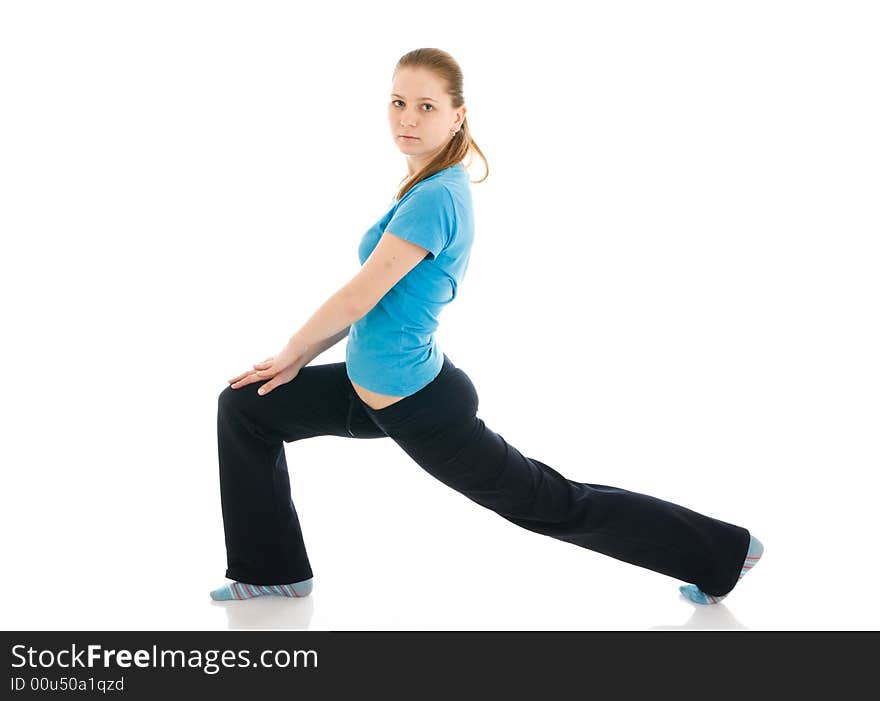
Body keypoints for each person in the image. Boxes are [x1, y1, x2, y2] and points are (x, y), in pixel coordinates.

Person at [211, 48, 763, 606]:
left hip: (415, 404)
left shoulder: (434, 198)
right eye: (399, 102)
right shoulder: (424, 185)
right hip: (373, 388)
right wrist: (299, 360)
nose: (407, 117)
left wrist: (292, 353)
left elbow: (358, 298)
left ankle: (723, 551)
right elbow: (370, 305)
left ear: (457, 115)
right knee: (248, 407)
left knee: (554, 504)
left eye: (426, 106)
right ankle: (273, 568)